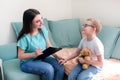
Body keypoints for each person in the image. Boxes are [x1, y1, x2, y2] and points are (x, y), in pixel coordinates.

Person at [17, 8, 64, 80]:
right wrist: (34, 54)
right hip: (28, 62)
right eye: (37, 21)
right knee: (49, 69)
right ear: (30, 23)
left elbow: (48, 46)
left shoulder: (43, 29)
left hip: (42, 57)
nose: (41, 22)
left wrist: (56, 56)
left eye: (41, 18)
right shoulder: (24, 37)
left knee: (60, 66)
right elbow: (20, 56)